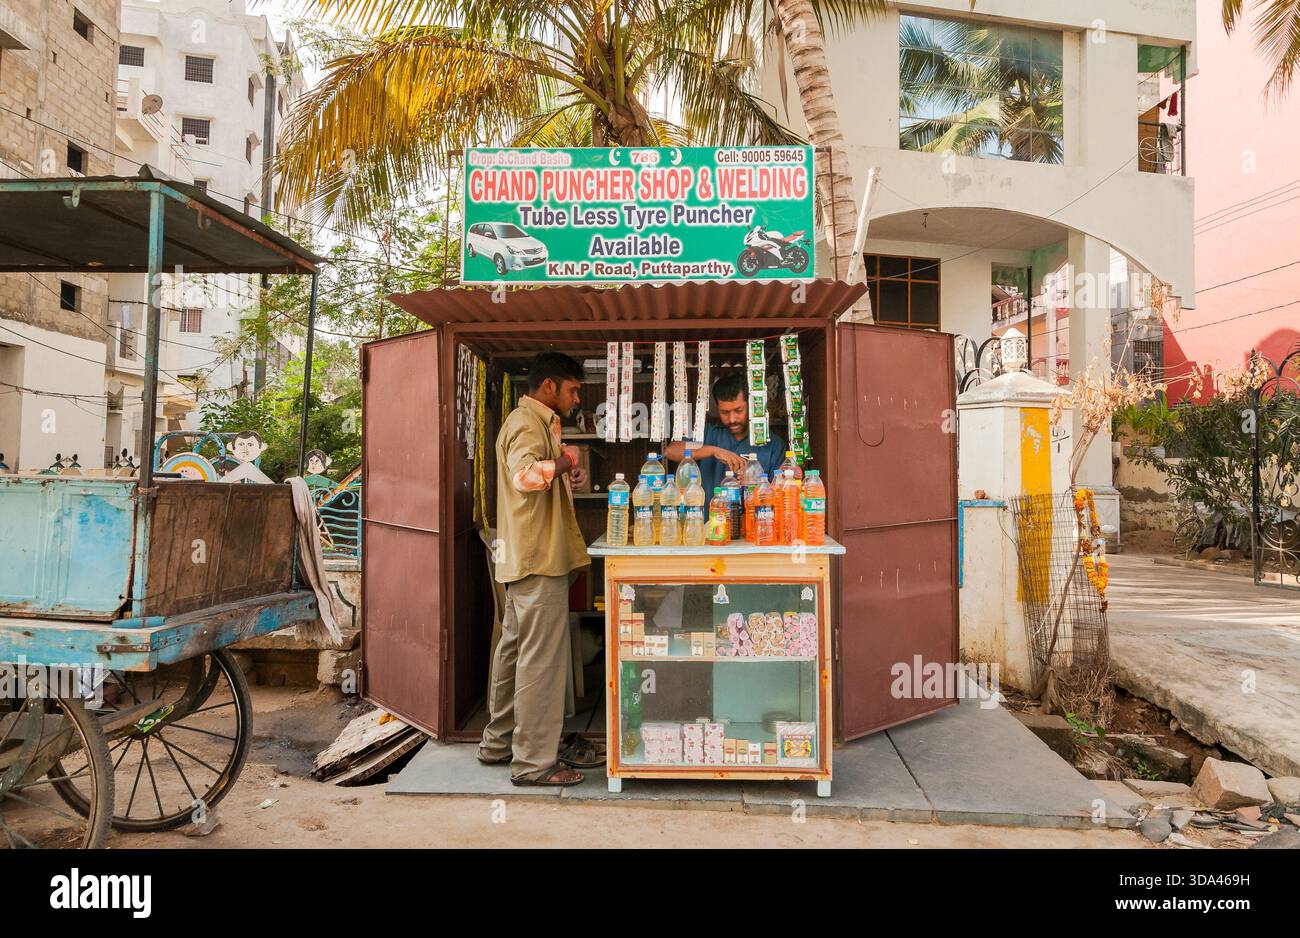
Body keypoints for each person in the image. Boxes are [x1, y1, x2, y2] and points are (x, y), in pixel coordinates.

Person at [478, 352, 599, 786]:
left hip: (525, 557)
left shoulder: (535, 422)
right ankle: (532, 763)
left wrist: (569, 475)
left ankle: (498, 743)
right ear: (549, 386)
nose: (576, 396)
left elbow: (539, 484)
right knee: (540, 663)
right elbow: (525, 478)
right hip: (537, 560)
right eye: (573, 389)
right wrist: (566, 462)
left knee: (513, 652)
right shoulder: (527, 422)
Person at [664, 373, 786, 494]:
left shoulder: (773, 444)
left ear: (751, 406)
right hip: (713, 512)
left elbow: (780, 492)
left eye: (738, 411)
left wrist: (752, 482)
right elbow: (671, 451)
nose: (732, 419)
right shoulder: (707, 433)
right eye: (725, 412)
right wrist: (713, 451)